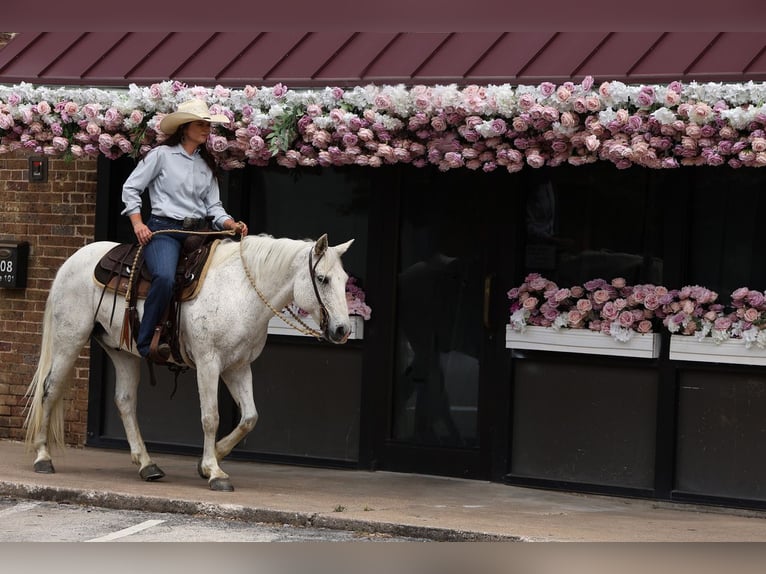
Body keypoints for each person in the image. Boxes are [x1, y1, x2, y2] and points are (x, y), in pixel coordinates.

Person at [121, 99, 248, 360]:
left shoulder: (207, 166)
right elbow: (131, 188)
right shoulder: (161, 156)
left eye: (208, 125)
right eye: (201, 124)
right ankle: (146, 343)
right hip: (164, 231)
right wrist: (138, 224)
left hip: (199, 233)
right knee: (165, 278)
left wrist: (230, 224)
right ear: (184, 127)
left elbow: (214, 207)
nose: (206, 129)